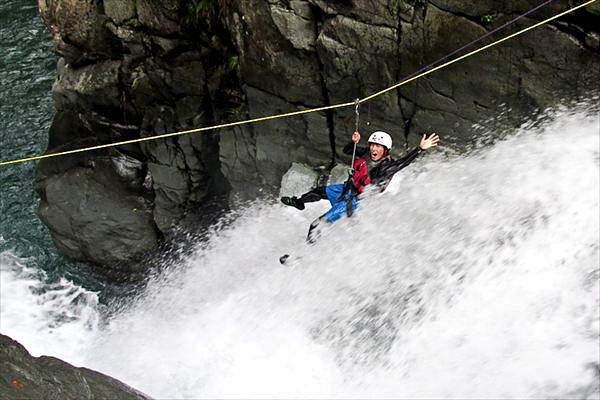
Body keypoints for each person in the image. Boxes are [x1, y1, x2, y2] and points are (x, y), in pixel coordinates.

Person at [281, 130, 440, 242]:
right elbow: (348, 150)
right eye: (372, 145)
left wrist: (420, 149)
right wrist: (354, 141)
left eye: (378, 146)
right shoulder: (366, 153)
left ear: (385, 150)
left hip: (355, 201)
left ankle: (308, 252)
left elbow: (403, 162)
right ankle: (299, 202)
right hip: (348, 188)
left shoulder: (387, 167)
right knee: (318, 192)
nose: (373, 148)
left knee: (316, 224)